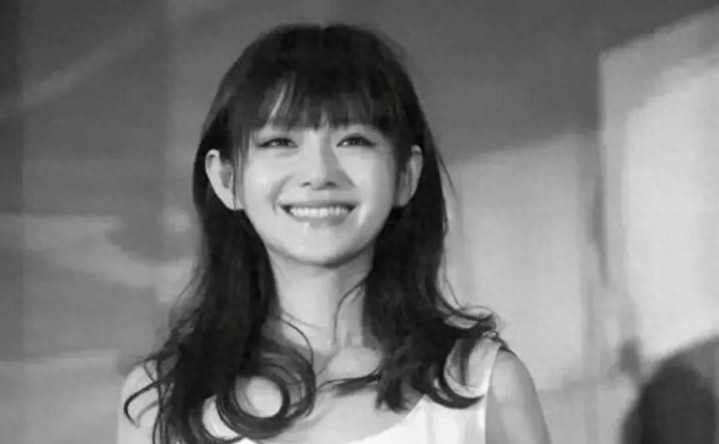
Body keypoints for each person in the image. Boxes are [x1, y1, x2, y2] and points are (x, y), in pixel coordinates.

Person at [117, 23, 551, 444]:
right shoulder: (163, 400)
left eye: (354, 140)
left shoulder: (486, 388)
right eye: (280, 142)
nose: (319, 173)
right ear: (226, 179)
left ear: (406, 174)